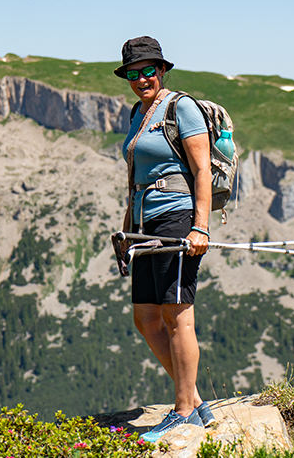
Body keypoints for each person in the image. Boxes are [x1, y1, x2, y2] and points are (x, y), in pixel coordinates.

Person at [116, 36, 215, 441]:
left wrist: (201, 226)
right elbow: (134, 180)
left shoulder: (182, 107)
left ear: (162, 70)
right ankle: (192, 398)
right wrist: (126, 229)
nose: (142, 79)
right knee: (146, 318)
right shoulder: (138, 114)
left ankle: (183, 410)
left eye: (148, 71)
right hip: (143, 223)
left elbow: (203, 169)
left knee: (177, 317)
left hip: (176, 219)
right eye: (133, 74)